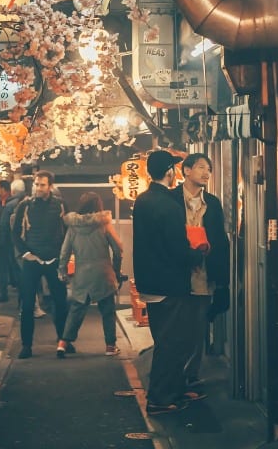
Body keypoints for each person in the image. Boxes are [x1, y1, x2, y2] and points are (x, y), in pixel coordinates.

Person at [132, 150, 206, 416]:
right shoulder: (169, 206)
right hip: (169, 284)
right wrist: (198, 253)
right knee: (171, 342)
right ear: (170, 172)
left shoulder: (142, 201)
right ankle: (160, 398)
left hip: (149, 283)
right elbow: (178, 249)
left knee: (165, 339)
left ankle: (171, 392)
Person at [171, 153, 231, 392]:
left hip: (204, 273)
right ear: (186, 170)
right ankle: (173, 374)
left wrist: (224, 281)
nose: (206, 173)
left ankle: (191, 374)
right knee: (177, 326)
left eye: (209, 169)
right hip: (177, 273)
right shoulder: (171, 199)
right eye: (201, 168)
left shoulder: (213, 203)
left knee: (198, 326)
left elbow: (221, 241)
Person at [56, 192, 123, 358]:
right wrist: (116, 269)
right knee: (107, 311)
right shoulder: (104, 224)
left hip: (82, 274)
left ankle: (63, 343)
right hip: (103, 273)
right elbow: (118, 249)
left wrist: (62, 270)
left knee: (76, 310)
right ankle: (110, 346)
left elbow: (64, 252)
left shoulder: (73, 227)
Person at [11, 170, 68, 359]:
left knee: (60, 302)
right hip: (32, 259)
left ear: (50, 186)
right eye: (36, 184)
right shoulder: (25, 205)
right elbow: (14, 232)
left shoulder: (60, 205)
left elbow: (68, 231)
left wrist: (63, 255)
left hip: (54, 259)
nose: (38, 187)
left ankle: (63, 340)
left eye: (42, 184)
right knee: (27, 305)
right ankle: (26, 345)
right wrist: (25, 253)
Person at [0, 179, 26, 303]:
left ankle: (20, 297)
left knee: (12, 269)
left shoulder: (10, 205)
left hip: (9, 242)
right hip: (22, 242)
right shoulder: (25, 202)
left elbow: (3, 225)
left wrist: (1, 243)